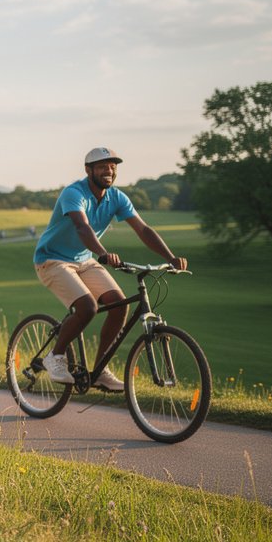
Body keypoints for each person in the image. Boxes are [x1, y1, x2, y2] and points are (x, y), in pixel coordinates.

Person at [33, 148, 188, 391]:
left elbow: (143, 230)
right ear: (88, 170)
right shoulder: (74, 193)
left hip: (84, 260)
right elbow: (82, 227)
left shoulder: (117, 198)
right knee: (88, 307)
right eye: (102, 166)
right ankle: (55, 356)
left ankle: (100, 370)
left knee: (120, 305)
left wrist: (171, 257)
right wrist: (104, 253)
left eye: (113, 166)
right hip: (52, 260)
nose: (109, 170)